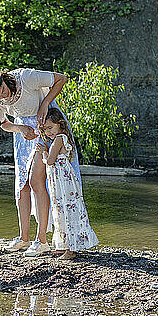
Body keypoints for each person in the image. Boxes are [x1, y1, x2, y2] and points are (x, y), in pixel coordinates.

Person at [0, 68, 81, 257]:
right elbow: (4, 123)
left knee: (36, 181)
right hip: (24, 134)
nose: (2, 97)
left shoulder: (25, 77)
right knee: (22, 186)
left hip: (47, 128)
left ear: (3, 80)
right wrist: (20, 128)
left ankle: (42, 240)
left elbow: (61, 79)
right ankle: (24, 238)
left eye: (3, 91)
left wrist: (45, 103)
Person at [37, 108, 98, 259]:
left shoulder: (59, 139)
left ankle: (71, 249)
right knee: (61, 209)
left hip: (63, 183)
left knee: (66, 210)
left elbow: (50, 161)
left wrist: (43, 152)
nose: (48, 132)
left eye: (50, 127)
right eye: (45, 129)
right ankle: (63, 245)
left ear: (60, 124)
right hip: (61, 181)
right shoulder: (62, 138)